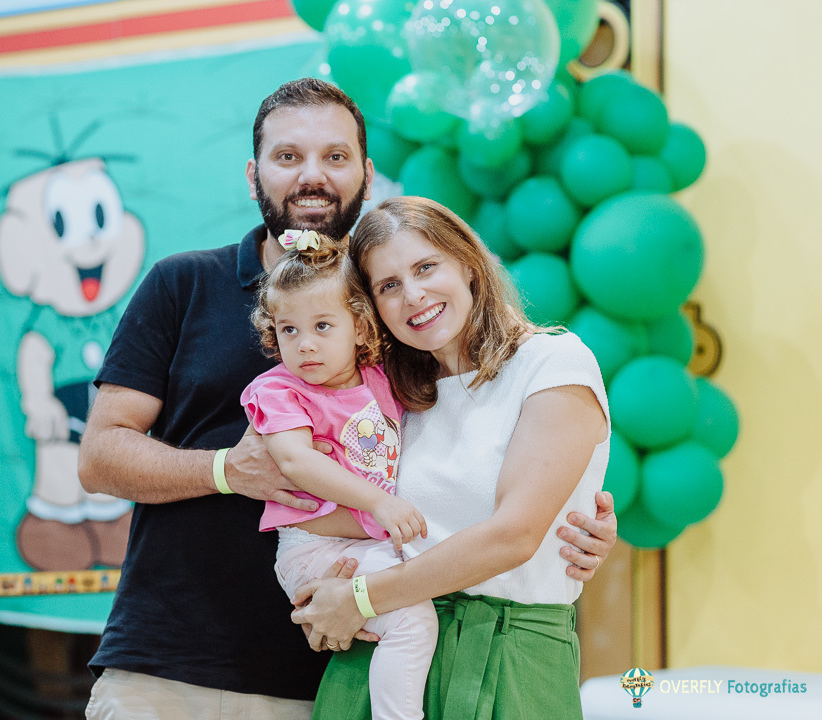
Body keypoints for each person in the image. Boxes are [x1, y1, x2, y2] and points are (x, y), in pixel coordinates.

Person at [77, 78, 617, 720]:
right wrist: (227, 470)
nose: (312, 176)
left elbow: (457, 479)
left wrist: (574, 516)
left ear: (366, 172)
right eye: (287, 157)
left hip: (335, 665)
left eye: (335, 157)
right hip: (172, 667)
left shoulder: (392, 331)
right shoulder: (182, 284)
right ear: (254, 176)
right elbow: (100, 458)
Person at [291, 196, 611, 720]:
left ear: (467, 262)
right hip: (383, 654)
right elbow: (332, 503)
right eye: (388, 286)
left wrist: (360, 598)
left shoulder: (552, 362)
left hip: (507, 654)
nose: (413, 295)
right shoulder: (389, 395)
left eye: (425, 267)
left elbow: (514, 535)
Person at [243, 230, 438, 720]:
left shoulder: (380, 378)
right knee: (413, 618)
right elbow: (297, 462)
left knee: (416, 611)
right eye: (289, 330)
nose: (305, 345)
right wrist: (378, 503)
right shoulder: (279, 391)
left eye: (323, 325)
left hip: (369, 544)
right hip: (313, 550)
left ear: (360, 325)